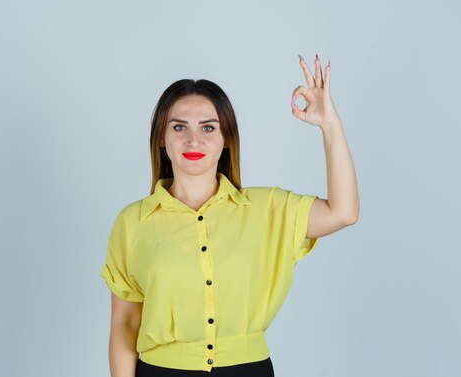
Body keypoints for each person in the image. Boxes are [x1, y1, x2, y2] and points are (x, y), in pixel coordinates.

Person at [100, 55, 359, 376]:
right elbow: (125, 323)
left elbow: (343, 212)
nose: (193, 140)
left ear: (226, 140)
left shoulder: (268, 209)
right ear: (161, 139)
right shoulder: (132, 222)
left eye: (208, 127)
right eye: (179, 127)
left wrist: (330, 125)